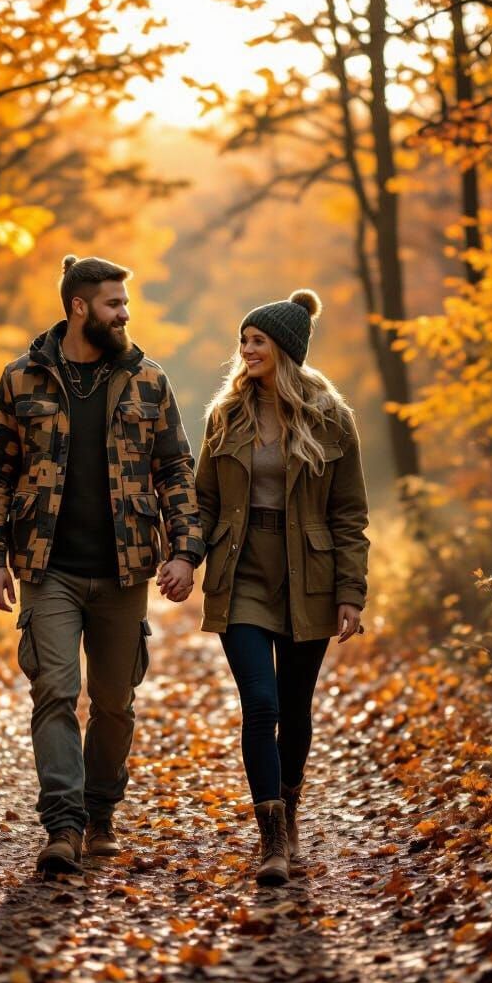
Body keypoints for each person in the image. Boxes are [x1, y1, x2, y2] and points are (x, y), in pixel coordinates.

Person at [0, 255, 204, 875]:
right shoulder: (22, 379)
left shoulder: (147, 381)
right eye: (113, 303)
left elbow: (175, 469)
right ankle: (64, 826)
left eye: (124, 304)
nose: (124, 314)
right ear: (79, 307)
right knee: (54, 692)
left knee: (114, 702)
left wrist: (185, 550)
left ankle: (101, 811)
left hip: (126, 570)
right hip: (46, 568)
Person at [194, 289, 370, 885]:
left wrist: (352, 591)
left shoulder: (331, 417)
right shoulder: (226, 415)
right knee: (260, 704)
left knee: (294, 708)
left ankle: (289, 814)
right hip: (241, 570)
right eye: (244, 340)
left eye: (258, 341)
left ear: (286, 350)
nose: (246, 350)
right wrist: (185, 557)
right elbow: (203, 501)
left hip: (309, 576)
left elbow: (349, 513)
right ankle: (270, 840)